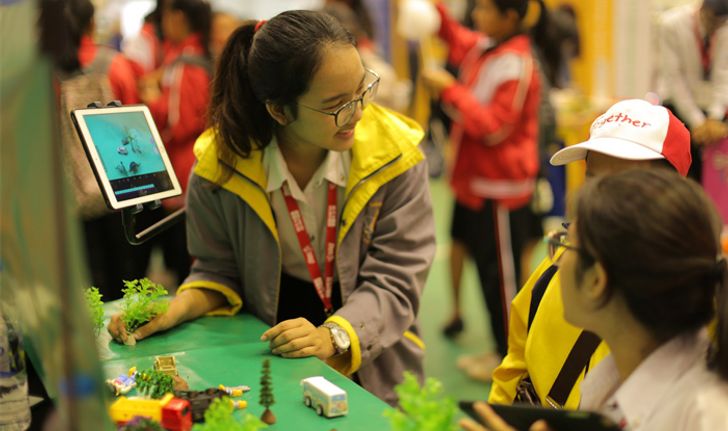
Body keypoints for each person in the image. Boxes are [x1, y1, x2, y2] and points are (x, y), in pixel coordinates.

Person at [108, 10, 436, 406]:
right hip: (271, 342)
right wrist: (178, 307)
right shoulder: (220, 169)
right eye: (336, 104)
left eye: (362, 89)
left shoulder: (395, 157)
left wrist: (332, 336)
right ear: (279, 111)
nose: (359, 112)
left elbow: (396, 279)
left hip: (373, 347)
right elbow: (217, 268)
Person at [462, 168, 728, 431]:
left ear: (596, 281)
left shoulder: (705, 416)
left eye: (565, 244)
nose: (556, 261)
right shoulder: (616, 376)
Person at [489, 99, 692, 408]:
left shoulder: (696, 305)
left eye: (624, 185)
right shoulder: (558, 264)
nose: (601, 200)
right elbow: (516, 366)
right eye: (593, 179)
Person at [421, 0, 543, 381]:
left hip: (501, 189)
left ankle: (512, 360)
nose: (476, 15)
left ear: (509, 17)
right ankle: (499, 349)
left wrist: (450, 90)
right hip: (476, 183)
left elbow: (494, 127)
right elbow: (453, 33)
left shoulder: (516, 65)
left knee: (501, 279)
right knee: (486, 271)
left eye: (485, 9)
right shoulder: (486, 45)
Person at [656, 0, 728, 181]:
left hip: (712, 115)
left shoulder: (724, 26)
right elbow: (674, 77)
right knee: (679, 176)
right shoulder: (671, 24)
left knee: (714, 178)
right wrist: (697, 122)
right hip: (679, 109)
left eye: (721, 23)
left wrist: (714, 117)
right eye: (712, 21)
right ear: (702, 9)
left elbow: (724, 74)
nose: (716, 27)